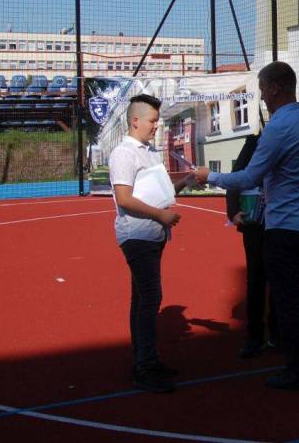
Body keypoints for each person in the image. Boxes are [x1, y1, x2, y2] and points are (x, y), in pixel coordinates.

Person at [194, 61, 299, 390]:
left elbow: (249, 177)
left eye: (262, 90)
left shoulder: (278, 128)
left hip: (285, 228)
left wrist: (209, 176)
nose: (261, 97)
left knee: (288, 301)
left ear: (274, 88)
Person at [109, 94, 182, 393]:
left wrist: (186, 182)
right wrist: (161, 215)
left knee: (141, 298)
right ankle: (144, 366)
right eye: (152, 121)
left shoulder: (149, 152)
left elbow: (159, 191)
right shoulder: (124, 154)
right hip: (137, 235)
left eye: (157, 121)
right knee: (150, 297)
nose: (156, 126)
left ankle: (144, 359)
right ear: (135, 120)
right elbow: (124, 198)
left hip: (152, 234)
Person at [224, 132, 279, 358]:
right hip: (254, 226)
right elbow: (235, 178)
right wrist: (233, 211)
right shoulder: (254, 143)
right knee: (256, 280)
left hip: (281, 224)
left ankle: (278, 333)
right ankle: (254, 336)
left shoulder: (285, 141)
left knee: (279, 279)